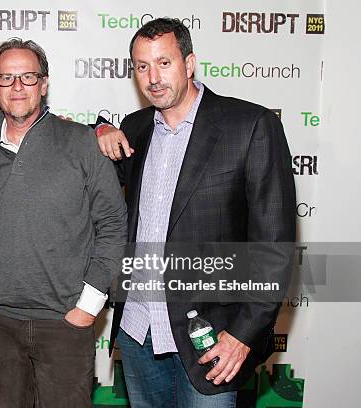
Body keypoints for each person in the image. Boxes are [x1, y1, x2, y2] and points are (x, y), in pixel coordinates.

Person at [94, 18, 296, 407]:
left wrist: (242, 335)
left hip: (211, 339)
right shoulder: (135, 128)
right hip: (138, 331)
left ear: (189, 63)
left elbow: (274, 246)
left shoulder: (250, 126)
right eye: (141, 66)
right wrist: (98, 130)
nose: (153, 78)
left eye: (164, 63)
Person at [0, 38, 127, 408]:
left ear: (45, 84)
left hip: (65, 325)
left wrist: (88, 305)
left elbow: (114, 226)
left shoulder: (83, 143)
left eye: (28, 77)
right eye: (6, 78)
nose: (17, 87)